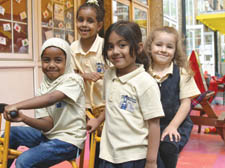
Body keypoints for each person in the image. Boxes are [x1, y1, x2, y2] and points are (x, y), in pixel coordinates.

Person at [87, 20, 165, 168]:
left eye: (122, 45)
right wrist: (97, 121)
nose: (115, 51)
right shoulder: (109, 75)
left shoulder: (146, 83)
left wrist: (151, 161)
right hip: (108, 154)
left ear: (138, 48)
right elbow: (111, 106)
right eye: (110, 47)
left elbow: (154, 124)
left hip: (134, 157)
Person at [2, 38, 86, 168]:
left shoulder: (74, 80)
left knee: (24, 161)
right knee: (11, 134)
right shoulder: (43, 87)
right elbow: (47, 125)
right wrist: (23, 118)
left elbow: (51, 98)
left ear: (67, 61)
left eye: (58, 60)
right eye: (46, 60)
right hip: (49, 135)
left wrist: (17, 105)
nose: (51, 65)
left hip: (69, 141)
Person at [144, 26, 200, 168]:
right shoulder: (143, 72)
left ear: (175, 51)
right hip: (149, 125)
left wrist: (172, 126)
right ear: (150, 47)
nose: (163, 50)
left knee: (168, 146)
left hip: (175, 123)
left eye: (169, 47)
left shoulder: (182, 72)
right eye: (158, 45)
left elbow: (185, 103)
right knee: (149, 154)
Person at [70, 0, 105, 167]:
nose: (84, 25)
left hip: (104, 110)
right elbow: (66, 76)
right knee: (79, 149)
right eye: (80, 20)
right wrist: (83, 76)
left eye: (90, 21)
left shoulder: (106, 47)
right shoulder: (71, 48)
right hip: (80, 109)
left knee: (100, 152)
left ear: (99, 26)